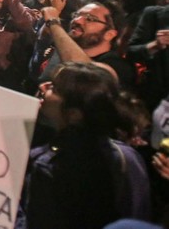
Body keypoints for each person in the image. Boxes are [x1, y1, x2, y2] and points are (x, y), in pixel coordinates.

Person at [17, 62, 150, 229]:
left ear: (74, 114)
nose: (44, 87)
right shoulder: (128, 157)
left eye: (55, 89)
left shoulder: (47, 166)